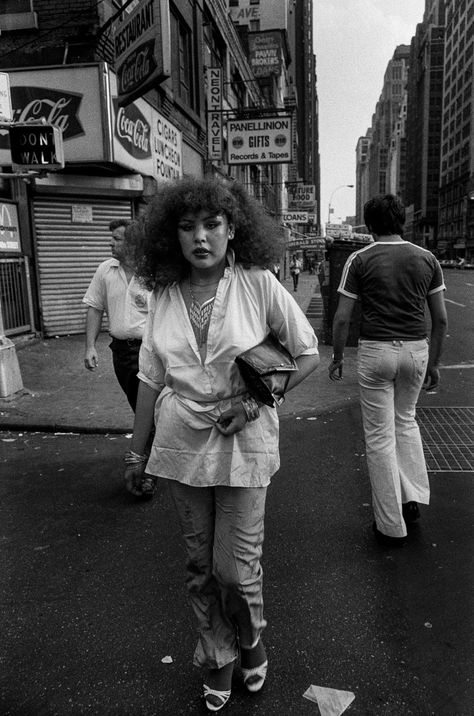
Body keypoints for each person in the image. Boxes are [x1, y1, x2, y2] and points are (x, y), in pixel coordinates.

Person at [124, 176, 319, 711]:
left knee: (235, 568)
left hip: (244, 439)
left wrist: (253, 403)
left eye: (212, 225)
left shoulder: (257, 283)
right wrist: (137, 454)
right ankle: (220, 656)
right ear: (173, 236)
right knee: (199, 566)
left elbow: (306, 354)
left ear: (233, 229)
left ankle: (250, 636)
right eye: (187, 227)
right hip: (180, 443)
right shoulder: (163, 294)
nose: (200, 237)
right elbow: (149, 380)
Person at [328, 194, 447, 548]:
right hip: (415, 350)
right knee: (406, 421)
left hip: (376, 351)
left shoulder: (359, 259)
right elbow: (440, 319)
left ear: (371, 224)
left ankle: (389, 524)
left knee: (380, 437)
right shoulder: (427, 259)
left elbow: (342, 318)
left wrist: (336, 358)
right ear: (402, 223)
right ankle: (412, 499)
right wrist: (435, 363)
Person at [83, 219, 151, 413]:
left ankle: (149, 442)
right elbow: (95, 308)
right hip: (121, 352)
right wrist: (90, 347)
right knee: (136, 403)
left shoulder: (153, 272)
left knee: (151, 406)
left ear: (133, 242)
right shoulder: (105, 270)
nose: (110, 243)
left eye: (116, 239)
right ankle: (149, 440)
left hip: (150, 350)